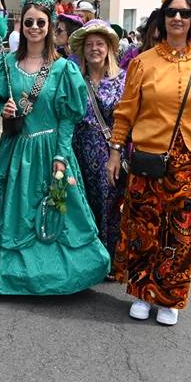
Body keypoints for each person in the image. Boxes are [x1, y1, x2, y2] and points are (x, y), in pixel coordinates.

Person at [106, 0, 191, 326]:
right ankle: (141, 293)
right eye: (172, 13)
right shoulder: (142, 63)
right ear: (162, 19)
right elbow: (125, 113)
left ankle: (170, 297)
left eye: (185, 14)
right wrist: (115, 152)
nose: (178, 19)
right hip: (149, 156)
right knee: (143, 226)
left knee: (182, 232)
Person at [0, 0, 110, 295]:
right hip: (15, 151)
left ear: (50, 26)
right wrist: (5, 110)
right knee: (11, 214)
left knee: (55, 212)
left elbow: (68, 118)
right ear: (20, 25)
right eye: (29, 22)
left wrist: (63, 155)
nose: (34, 27)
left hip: (52, 149)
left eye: (41, 22)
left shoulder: (64, 69)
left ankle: (59, 278)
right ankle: (5, 277)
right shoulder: (6, 64)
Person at [69, 19, 127, 261]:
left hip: (109, 152)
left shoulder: (122, 79)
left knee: (109, 206)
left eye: (100, 44)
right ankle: (87, 259)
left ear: (109, 49)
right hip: (77, 151)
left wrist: (116, 151)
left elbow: (127, 119)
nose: (94, 48)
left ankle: (109, 258)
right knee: (82, 205)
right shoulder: (73, 78)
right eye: (89, 44)